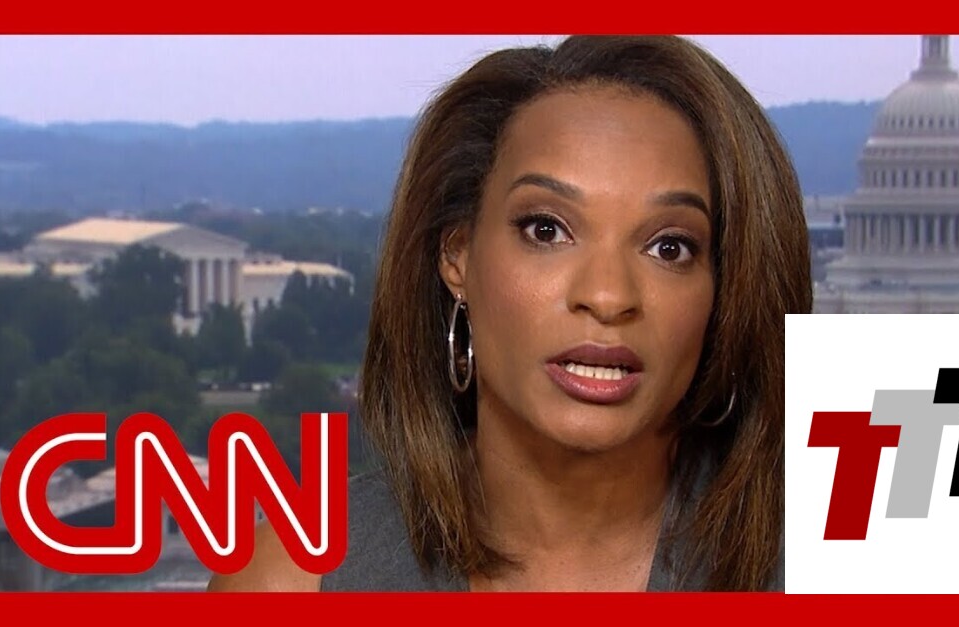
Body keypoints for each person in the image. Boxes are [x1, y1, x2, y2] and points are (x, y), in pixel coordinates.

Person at [209, 34, 811, 593]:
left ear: (727, 289)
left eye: (669, 247)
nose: (607, 296)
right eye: (546, 230)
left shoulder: (839, 566)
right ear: (458, 257)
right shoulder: (289, 579)